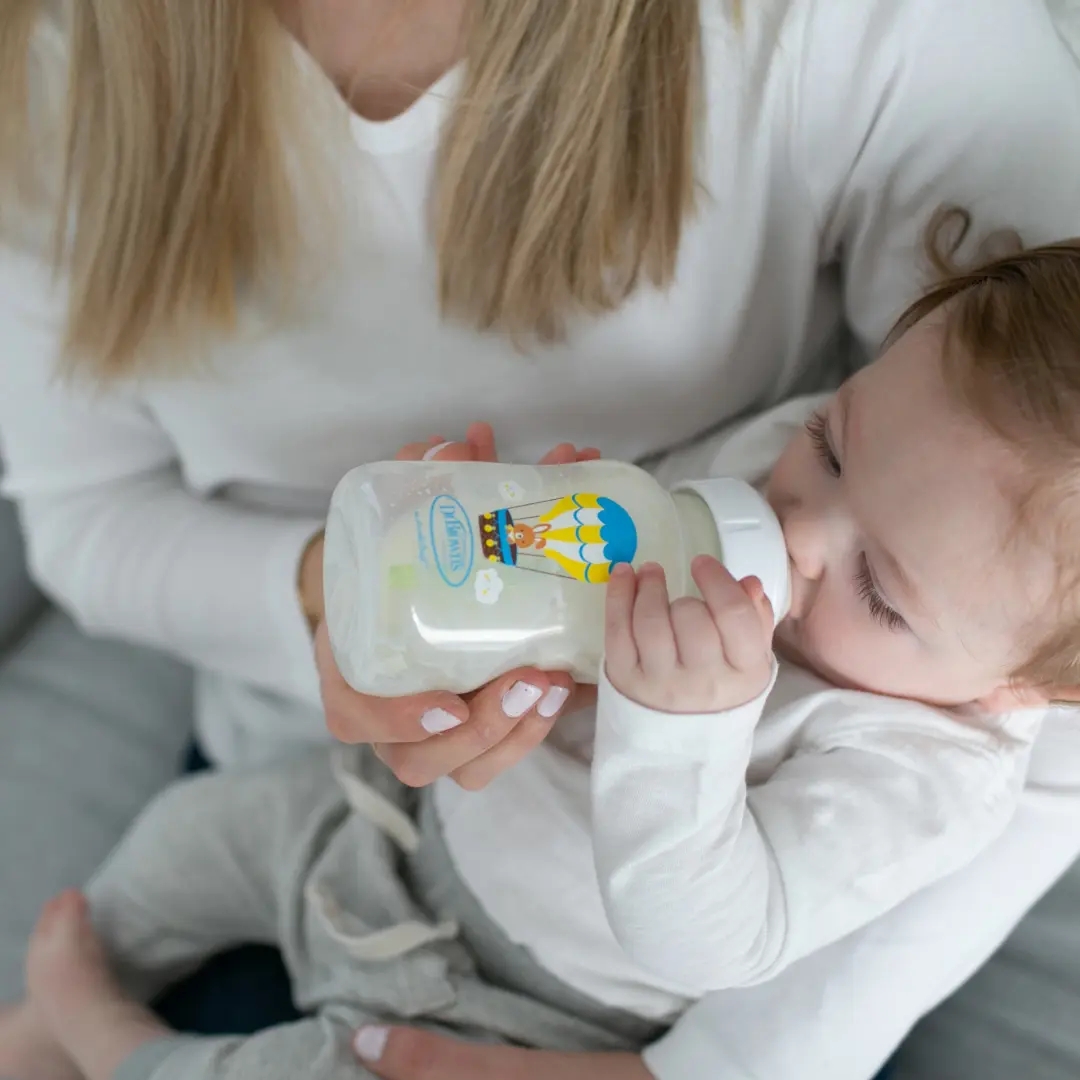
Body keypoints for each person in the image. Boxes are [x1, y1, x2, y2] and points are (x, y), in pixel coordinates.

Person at [0, 1, 1078, 1078]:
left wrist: (677, 732)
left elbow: (717, 936)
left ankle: (100, 1039)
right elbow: (88, 513)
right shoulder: (63, 70)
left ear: (1023, 690)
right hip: (364, 791)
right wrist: (464, 553)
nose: (793, 532)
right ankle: (75, 996)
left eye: (879, 592)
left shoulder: (917, 771)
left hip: (530, 1000)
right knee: (189, 841)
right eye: (827, 445)